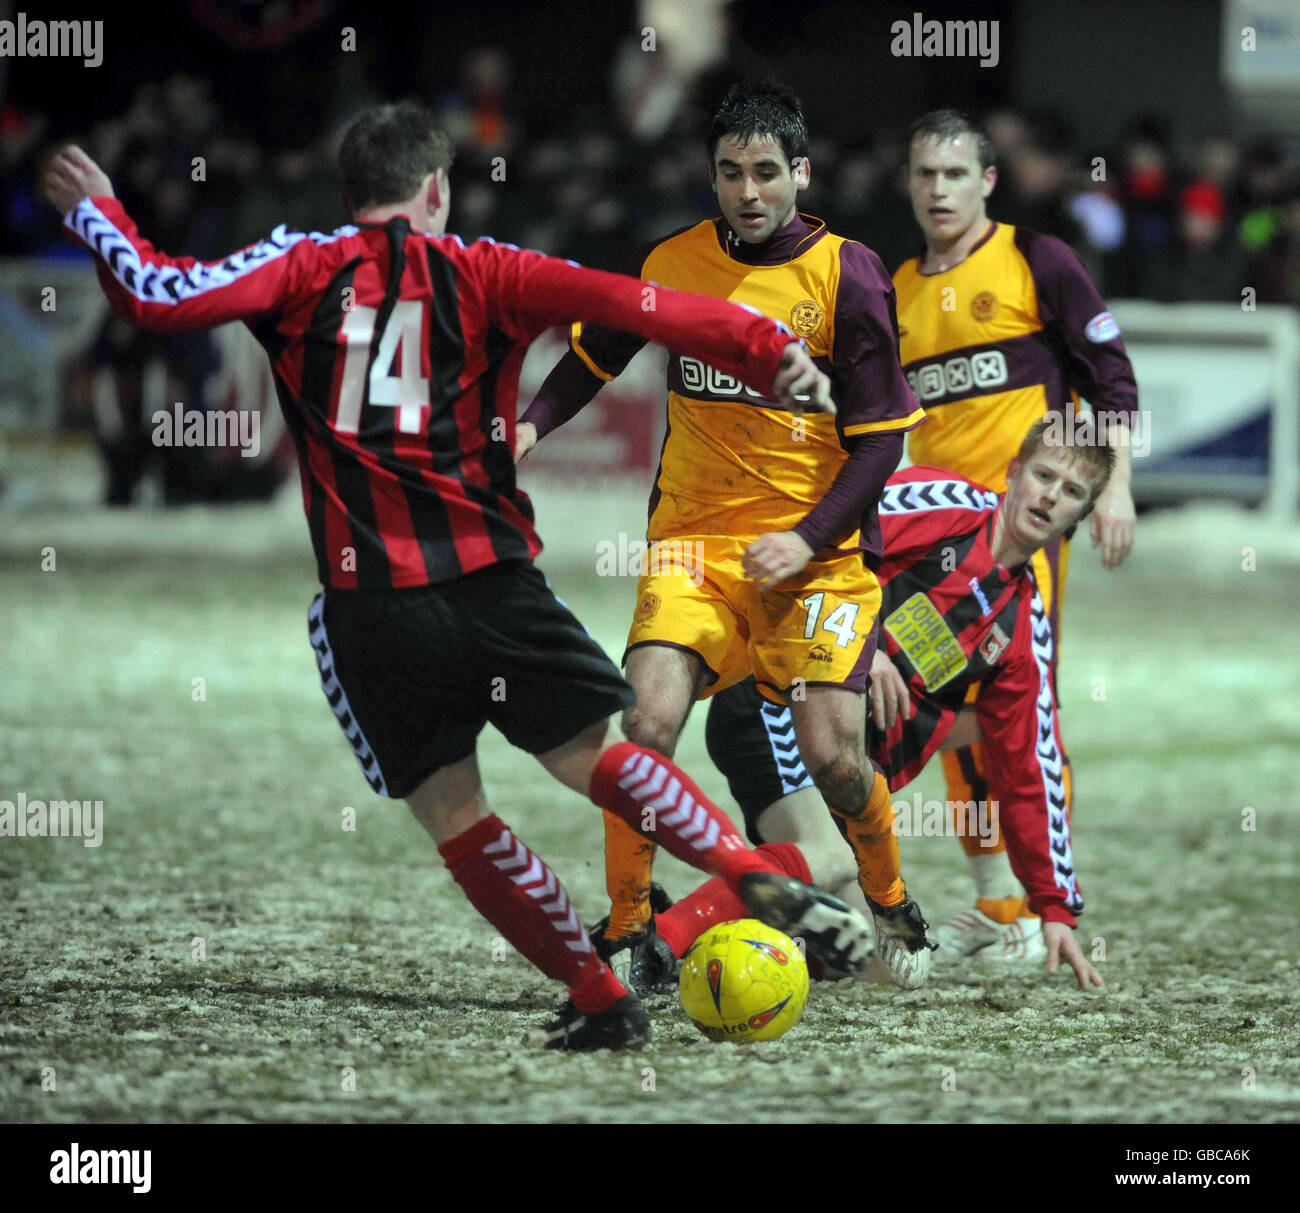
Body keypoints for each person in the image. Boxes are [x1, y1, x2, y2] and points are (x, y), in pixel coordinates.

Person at [39, 102, 876, 1052]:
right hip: (493, 585)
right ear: (437, 190)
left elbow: (156, 294)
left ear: (348, 194)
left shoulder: (298, 265)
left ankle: (600, 996)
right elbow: (642, 306)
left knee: (456, 814)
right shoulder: (490, 269)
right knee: (595, 758)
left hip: (373, 606)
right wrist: (769, 350)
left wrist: (99, 211)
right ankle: (745, 866)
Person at [517, 80, 935, 987]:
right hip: (693, 548)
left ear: (802, 174)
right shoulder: (670, 262)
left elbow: (879, 445)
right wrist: (528, 428)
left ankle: (892, 899)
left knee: (833, 753)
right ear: (712, 177)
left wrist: (809, 536)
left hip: (816, 559)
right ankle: (632, 928)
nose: (749, 192)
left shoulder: (847, 274)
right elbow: (593, 354)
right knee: (644, 721)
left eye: (767, 173)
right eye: (731, 173)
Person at [680, 422, 1108, 991]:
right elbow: (823, 534)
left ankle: (731, 935)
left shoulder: (1024, 626)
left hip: (850, 780)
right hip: (778, 707)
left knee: (882, 969)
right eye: (1044, 475)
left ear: (1077, 518)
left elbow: (1029, 768)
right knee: (826, 861)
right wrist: (862, 639)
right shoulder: (947, 505)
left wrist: (1053, 907)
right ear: (1013, 473)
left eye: (1072, 492)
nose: (1051, 496)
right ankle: (656, 939)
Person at [881, 109, 1138, 958]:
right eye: (926, 174)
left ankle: (1030, 906)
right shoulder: (894, 291)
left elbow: (1111, 377)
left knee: (1019, 708)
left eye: (956, 174)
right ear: (909, 185)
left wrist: (1114, 488)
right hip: (935, 532)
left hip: (1025, 531)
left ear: (988, 181)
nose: (939, 189)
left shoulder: (1038, 261)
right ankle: (1001, 905)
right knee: (934, 693)